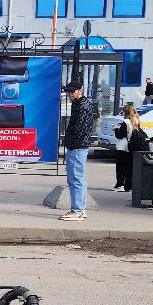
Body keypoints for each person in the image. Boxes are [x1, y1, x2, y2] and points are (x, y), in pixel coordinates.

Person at [60, 79, 95, 221]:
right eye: (68, 91)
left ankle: (77, 211)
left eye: (72, 91)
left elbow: (79, 129)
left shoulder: (82, 106)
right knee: (78, 178)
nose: (69, 94)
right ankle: (81, 209)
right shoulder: (81, 103)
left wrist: (69, 142)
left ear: (80, 91)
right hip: (79, 146)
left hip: (77, 146)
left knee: (75, 178)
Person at [111, 102, 147, 192]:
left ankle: (120, 185)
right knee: (130, 167)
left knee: (121, 167)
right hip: (133, 147)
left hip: (124, 147)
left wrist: (116, 129)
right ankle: (129, 186)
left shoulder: (126, 122)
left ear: (125, 112)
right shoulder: (138, 121)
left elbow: (120, 135)